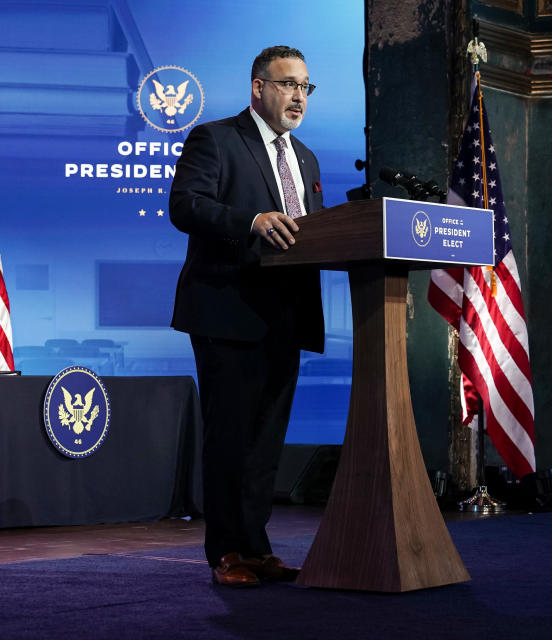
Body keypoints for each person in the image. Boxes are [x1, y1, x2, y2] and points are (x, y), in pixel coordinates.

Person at [169, 46, 324, 587]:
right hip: (227, 312)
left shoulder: (305, 157)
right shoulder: (216, 139)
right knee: (230, 438)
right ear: (258, 88)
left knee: (265, 444)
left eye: (306, 87)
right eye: (288, 85)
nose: (298, 96)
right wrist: (251, 219)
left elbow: (314, 231)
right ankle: (226, 553)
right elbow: (185, 205)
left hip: (286, 315)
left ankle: (256, 548)